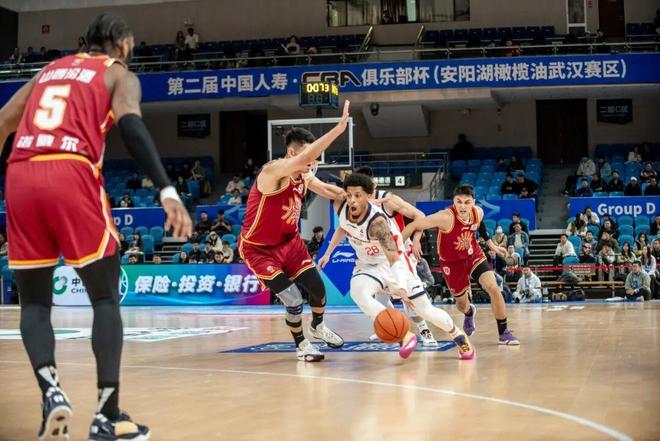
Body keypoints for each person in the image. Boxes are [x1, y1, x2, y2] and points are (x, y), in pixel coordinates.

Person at [0, 13, 193, 441]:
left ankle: (51, 391)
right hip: (70, 170)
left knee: (34, 304)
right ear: (122, 44)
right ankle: (107, 415)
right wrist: (166, 190)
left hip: (20, 173)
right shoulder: (117, 73)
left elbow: (2, 123)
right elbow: (131, 125)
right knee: (105, 297)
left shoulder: (48, 71)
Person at [319, 174, 475, 359]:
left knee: (424, 310)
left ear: (369, 194)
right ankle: (403, 333)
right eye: (349, 195)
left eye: (358, 195)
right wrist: (328, 253)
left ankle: (458, 335)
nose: (352, 199)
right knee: (358, 292)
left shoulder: (381, 215)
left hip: (396, 260)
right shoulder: (345, 207)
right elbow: (342, 225)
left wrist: (401, 286)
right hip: (368, 265)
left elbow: (394, 256)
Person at [239, 104, 350, 362]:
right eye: (310, 155)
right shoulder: (273, 172)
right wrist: (338, 129)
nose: (314, 161)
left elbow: (330, 191)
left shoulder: (304, 176)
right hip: (259, 249)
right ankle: (301, 345)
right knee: (292, 298)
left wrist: (359, 198)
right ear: (292, 153)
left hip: (290, 243)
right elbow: (302, 160)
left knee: (318, 289)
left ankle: (318, 326)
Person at [402, 185, 520, 345]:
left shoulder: (477, 212)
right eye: (459, 202)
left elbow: (480, 226)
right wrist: (408, 242)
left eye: (467, 202)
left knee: (493, 287)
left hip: (473, 254)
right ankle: (469, 312)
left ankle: (503, 332)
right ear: (454, 202)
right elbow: (414, 225)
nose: (463, 206)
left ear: (473, 202)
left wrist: (492, 245)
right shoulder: (445, 217)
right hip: (452, 263)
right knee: (461, 304)